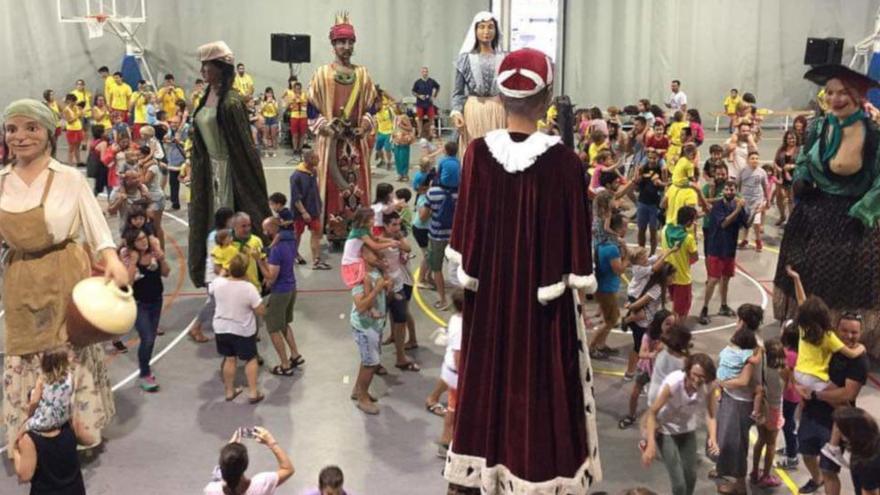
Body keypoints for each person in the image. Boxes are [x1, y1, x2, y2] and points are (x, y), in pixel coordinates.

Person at [443, 48, 600, 494]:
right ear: (547, 96)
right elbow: (575, 261)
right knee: (541, 389)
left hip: (490, 305)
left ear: (500, 94)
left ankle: (481, 465)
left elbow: (465, 246)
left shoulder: (476, 155)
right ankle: (537, 474)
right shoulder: (567, 164)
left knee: (486, 376)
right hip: (541, 313)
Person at [1, 100, 127, 454]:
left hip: (65, 274)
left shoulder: (69, 178)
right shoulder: (1, 182)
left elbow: (96, 226)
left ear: (48, 133)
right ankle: (28, 439)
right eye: (12, 129)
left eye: (31, 128)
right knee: (24, 351)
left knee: (67, 350)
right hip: (20, 278)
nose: (20, 136)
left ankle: (75, 436)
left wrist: (111, 258)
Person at [773, 65, 880, 343]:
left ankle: (841, 338)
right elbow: (807, 159)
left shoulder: (873, 133)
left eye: (843, 92)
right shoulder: (819, 127)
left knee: (846, 285)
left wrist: (866, 208)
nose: (835, 99)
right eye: (830, 92)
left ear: (857, 95)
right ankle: (809, 329)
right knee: (806, 275)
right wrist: (801, 177)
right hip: (815, 213)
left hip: (854, 220)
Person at [189, 41, 271, 288]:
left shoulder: (231, 102)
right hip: (208, 171)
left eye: (208, 65)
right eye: (202, 66)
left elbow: (244, 148)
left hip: (229, 171)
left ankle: (241, 275)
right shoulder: (206, 97)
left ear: (222, 68)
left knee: (228, 220)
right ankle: (216, 273)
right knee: (210, 220)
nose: (204, 71)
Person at [307, 13, 379, 244]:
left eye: (349, 42)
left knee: (358, 184)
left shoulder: (363, 75)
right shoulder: (322, 75)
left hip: (356, 144)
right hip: (331, 144)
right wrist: (325, 127)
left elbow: (373, 106)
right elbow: (311, 108)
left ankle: (358, 229)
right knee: (332, 185)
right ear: (333, 45)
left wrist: (365, 124)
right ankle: (335, 231)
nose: (346, 47)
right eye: (341, 42)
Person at [641, 353, 717, 495]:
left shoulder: (709, 386)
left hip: (686, 429)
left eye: (702, 376)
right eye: (695, 374)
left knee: (691, 477)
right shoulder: (674, 384)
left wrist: (713, 437)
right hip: (665, 429)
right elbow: (652, 413)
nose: (698, 379)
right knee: (679, 485)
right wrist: (650, 444)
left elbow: (711, 415)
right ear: (688, 371)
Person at [211, 253, 266, 404]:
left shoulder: (218, 283)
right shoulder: (248, 288)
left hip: (221, 328)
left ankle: (229, 391)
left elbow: (216, 281)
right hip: (242, 329)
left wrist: (223, 271)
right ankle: (253, 392)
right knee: (250, 358)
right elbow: (260, 310)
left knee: (229, 358)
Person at [450, 11, 507, 155]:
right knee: (475, 155)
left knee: (497, 156)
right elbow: (458, 92)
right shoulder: (465, 59)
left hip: (498, 111)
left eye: (490, 27)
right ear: (475, 30)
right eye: (481, 27)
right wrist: (457, 113)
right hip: (474, 112)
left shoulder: (505, 58)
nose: (486, 31)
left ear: (496, 30)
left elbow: (509, 90)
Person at [123, 227, 170, 391]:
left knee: (150, 340)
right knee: (148, 337)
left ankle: (145, 367)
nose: (143, 241)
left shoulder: (154, 255)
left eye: (144, 238)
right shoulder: (129, 259)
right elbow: (127, 284)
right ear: (132, 244)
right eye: (138, 240)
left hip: (156, 300)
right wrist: (134, 263)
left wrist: (162, 259)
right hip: (138, 304)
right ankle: (145, 373)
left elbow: (166, 273)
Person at [698, 180, 747, 325]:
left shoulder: (737, 205)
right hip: (717, 248)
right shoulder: (717, 206)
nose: (729, 192)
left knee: (726, 279)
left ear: (736, 191)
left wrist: (756, 210)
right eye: (727, 189)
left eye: (732, 190)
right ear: (723, 191)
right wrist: (738, 210)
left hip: (730, 249)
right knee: (713, 280)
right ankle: (704, 309)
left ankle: (723, 306)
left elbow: (746, 224)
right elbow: (724, 224)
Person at [261, 217, 304, 377]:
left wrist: (259, 261)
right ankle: (295, 354)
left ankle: (285, 364)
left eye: (265, 229)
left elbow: (271, 277)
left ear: (272, 230)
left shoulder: (277, 249)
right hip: (291, 287)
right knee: (285, 323)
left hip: (280, 291)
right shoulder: (290, 242)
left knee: (273, 328)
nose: (264, 232)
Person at [349, 254, 388, 415]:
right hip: (365, 327)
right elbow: (361, 306)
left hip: (374, 325)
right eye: (373, 251)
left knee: (368, 359)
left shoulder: (375, 272)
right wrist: (377, 289)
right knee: (370, 363)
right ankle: (362, 399)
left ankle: (358, 390)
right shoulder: (359, 277)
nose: (378, 253)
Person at [12, 418, 93, 494]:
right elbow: (89, 440)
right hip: (75, 489)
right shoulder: (68, 422)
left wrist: (15, 450)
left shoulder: (29, 438)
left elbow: (25, 476)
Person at [204, 426, 294, 495]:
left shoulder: (211, 490)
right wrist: (271, 443)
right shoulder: (262, 484)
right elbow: (288, 469)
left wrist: (229, 451)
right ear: (245, 465)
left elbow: (219, 477)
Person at [590, 213, 629, 359]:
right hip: (606, 288)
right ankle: (592, 347)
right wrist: (628, 258)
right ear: (619, 228)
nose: (626, 228)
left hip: (606, 286)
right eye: (625, 226)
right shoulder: (612, 248)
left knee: (612, 318)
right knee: (609, 321)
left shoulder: (605, 242)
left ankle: (601, 345)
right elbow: (619, 270)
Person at [426, 163, 459, 311]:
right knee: (457, 267)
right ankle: (460, 298)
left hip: (436, 235)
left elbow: (424, 215)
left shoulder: (432, 192)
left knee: (437, 268)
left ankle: (442, 299)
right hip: (455, 236)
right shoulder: (461, 193)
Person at [289, 151, 327, 269]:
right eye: (316, 158)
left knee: (315, 234)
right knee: (297, 234)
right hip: (299, 213)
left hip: (314, 209)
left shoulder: (313, 172)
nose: (319, 160)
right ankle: (294, 254)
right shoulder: (296, 176)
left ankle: (316, 259)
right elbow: (295, 197)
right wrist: (303, 212)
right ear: (309, 159)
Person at [830, 407, 880, 495]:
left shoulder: (864, 461)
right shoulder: (873, 442)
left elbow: (870, 492)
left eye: (839, 428)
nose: (836, 431)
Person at [661, 206, 699, 320]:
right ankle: (675, 334)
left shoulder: (665, 229)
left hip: (667, 274)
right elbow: (695, 257)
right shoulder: (688, 238)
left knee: (674, 306)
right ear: (689, 222)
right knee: (681, 311)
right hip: (682, 277)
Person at [634, 148, 666, 254]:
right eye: (650, 158)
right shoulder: (642, 169)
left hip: (654, 205)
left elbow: (665, 186)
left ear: (659, 159)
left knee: (653, 231)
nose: (652, 160)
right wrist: (637, 180)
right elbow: (637, 188)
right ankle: (641, 251)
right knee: (641, 230)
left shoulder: (661, 170)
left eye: (654, 158)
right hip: (642, 203)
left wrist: (660, 183)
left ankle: (652, 253)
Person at [736, 151, 770, 251]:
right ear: (748, 160)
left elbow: (765, 186)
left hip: (757, 200)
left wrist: (767, 200)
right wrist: (738, 197)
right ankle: (745, 240)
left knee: (756, 222)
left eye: (756, 158)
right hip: (745, 200)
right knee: (746, 221)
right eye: (752, 158)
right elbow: (737, 185)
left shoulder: (762, 172)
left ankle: (758, 241)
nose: (755, 160)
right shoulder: (743, 171)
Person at [412, 66, 440, 138]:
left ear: (428, 72)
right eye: (423, 72)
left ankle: (432, 133)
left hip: (429, 103)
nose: (425, 73)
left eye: (426, 71)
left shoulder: (431, 81)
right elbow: (413, 91)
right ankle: (420, 133)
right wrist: (419, 96)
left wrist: (434, 96)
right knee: (419, 119)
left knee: (431, 119)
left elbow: (438, 87)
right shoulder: (417, 82)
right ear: (421, 73)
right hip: (420, 104)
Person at [284, 79, 308, 157]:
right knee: (295, 134)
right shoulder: (290, 95)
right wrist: (292, 101)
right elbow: (286, 106)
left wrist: (300, 99)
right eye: (296, 89)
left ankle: (300, 148)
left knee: (302, 134)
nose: (297, 90)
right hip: (294, 116)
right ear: (293, 89)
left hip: (303, 116)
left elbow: (306, 104)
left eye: (299, 88)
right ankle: (295, 149)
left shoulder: (304, 94)